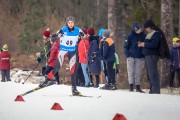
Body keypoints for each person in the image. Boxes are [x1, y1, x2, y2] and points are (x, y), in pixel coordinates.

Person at [40, 16, 84, 95]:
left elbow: (84, 35)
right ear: (67, 23)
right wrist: (58, 36)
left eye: (72, 23)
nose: (70, 24)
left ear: (74, 23)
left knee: (73, 70)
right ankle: (46, 81)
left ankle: (74, 89)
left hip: (72, 52)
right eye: (69, 23)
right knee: (56, 68)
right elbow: (52, 38)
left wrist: (82, 36)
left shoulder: (78, 30)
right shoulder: (63, 29)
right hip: (63, 51)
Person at [138, 20, 161, 94]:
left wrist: (144, 44)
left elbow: (154, 44)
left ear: (150, 27)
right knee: (149, 73)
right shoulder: (149, 34)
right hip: (147, 55)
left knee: (153, 72)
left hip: (152, 55)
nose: (145, 29)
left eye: (146, 27)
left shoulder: (156, 34)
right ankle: (152, 89)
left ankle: (155, 90)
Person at [124, 23, 145, 93]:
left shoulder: (143, 35)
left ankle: (138, 87)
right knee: (131, 72)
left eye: (138, 29)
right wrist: (128, 55)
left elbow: (145, 45)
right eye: (136, 30)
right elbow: (126, 46)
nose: (138, 31)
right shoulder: (130, 35)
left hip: (139, 57)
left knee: (138, 72)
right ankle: (131, 87)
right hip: (131, 57)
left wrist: (143, 54)